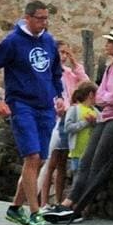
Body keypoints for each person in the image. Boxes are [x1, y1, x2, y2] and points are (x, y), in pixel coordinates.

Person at [0, 0, 66, 225]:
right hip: (21, 105)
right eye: (40, 18)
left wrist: (59, 96)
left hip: (45, 106)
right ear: (27, 18)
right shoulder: (12, 42)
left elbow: (55, 72)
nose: (44, 23)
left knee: (41, 159)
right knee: (32, 156)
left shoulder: (48, 41)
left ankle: (16, 207)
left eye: (47, 18)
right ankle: (35, 212)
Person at [44, 26, 113, 225]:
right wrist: (104, 98)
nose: (106, 46)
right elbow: (100, 96)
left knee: (98, 161)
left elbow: (112, 97)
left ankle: (76, 205)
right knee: (87, 159)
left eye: (109, 43)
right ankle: (69, 202)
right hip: (105, 116)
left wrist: (104, 98)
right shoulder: (111, 68)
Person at [37, 40, 89, 207]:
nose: (64, 56)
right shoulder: (47, 74)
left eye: (66, 53)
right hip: (55, 120)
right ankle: (44, 202)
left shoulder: (68, 73)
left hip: (67, 120)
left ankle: (58, 201)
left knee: (61, 165)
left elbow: (85, 83)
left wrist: (75, 63)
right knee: (50, 163)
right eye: (61, 52)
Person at [62, 80, 99, 179]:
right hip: (77, 153)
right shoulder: (74, 110)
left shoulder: (96, 111)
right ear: (91, 94)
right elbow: (68, 127)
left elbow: (99, 127)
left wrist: (94, 123)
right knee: (78, 177)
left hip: (91, 151)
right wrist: (86, 123)